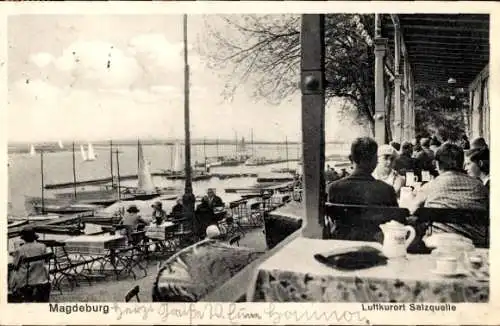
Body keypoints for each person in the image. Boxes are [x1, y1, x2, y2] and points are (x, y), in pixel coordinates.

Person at [327, 137, 398, 241]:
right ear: (375, 160)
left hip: (342, 244)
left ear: (351, 158)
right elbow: (395, 223)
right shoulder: (386, 190)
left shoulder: (334, 188)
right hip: (375, 246)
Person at [411, 143, 488, 211]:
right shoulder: (480, 187)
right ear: (461, 163)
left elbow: (412, 209)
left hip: (439, 227)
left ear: (437, 164)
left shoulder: (429, 187)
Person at [9, 226, 51, 302]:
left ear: (23, 238)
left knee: (12, 271)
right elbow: (46, 261)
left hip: (26, 281)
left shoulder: (20, 249)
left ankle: (12, 290)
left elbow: (15, 266)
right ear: (34, 237)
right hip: (42, 278)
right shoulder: (42, 246)